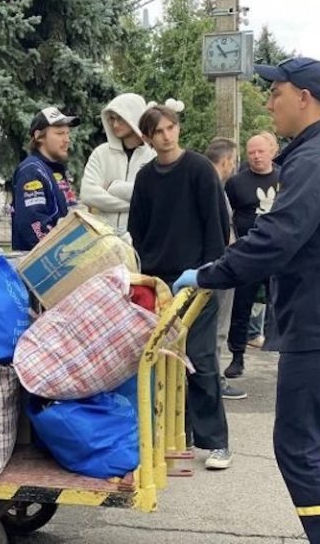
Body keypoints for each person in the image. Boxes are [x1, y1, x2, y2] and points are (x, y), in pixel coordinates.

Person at [173, 57, 320, 544]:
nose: (270, 102)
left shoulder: (316, 158)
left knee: (300, 446)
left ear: (305, 97)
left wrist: (209, 275)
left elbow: (277, 239)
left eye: (277, 93)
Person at [127, 105, 233, 470]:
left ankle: (216, 442)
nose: (167, 135)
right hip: (159, 282)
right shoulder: (145, 178)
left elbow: (216, 224)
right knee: (163, 360)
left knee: (201, 360)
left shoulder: (199, 169)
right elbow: (137, 230)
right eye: (158, 131)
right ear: (148, 138)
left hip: (198, 279)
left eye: (171, 127)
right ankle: (176, 435)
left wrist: (209, 272)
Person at [222, 132, 280, 378]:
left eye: (261, 151)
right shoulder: (236, 183)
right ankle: (237, 356)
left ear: (272, 152)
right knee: (241, 305)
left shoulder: (285, 178)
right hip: (248, 253)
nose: (256, 156)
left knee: (282, 304)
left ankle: (285, 352)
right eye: (252, 152)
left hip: (279, 253)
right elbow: (226, 214)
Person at [204, 137, 247, 401]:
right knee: (218, 327)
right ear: (228, 161)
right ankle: (215, 380)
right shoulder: (213, 186)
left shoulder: (204, 182)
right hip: (218, 266)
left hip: (209, 265)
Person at [79, 93, 156, 234]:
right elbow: (88, 194)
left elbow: (156, 195)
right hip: (104, 239)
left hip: (142, 240)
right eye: (112, 119)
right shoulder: (101, 153)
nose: (115, 124)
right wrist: (136, 203)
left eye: (120, 118)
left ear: (134, 117)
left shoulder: (154, 154)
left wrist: (114, 188)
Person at [11, 106, 79, 251]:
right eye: (60, 133)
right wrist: (62, 253)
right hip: (42, 265)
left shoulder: (55, 171)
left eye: (68, 133)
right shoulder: (32, 171)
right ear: (38, 136)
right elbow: (34, 225)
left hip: (60, 261)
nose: (67, 139)